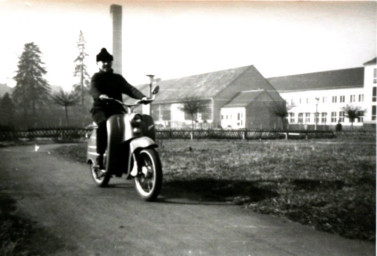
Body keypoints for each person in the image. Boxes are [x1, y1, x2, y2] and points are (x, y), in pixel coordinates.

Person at [89, 48, 147, 169]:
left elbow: (129, 89)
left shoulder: (117, 78)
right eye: (102, 61)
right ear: (97, 63)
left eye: (108, 61)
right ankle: (100, 156)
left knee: (131, 124)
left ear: (111, 62)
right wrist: (100, 95)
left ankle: (125, 156)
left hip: (117, 109)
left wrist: (143, 97)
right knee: (103, 124)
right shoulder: (96, 77)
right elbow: (93, 89)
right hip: (101, 109)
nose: (106, 63)